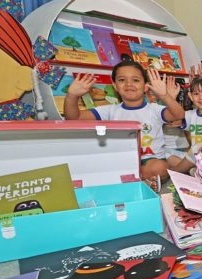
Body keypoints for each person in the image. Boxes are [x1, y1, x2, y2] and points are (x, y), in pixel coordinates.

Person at [64, 60, 184, 191]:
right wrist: (72, 96)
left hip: (150, 160)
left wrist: (164, 95)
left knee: (160, 168)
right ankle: (140, 181)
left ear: (145, 86)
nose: (129, 84)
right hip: (121, 161)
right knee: (92, 165)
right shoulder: (109, 110)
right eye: (122, 80)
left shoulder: (154, 109)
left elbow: (178, 115)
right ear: (115, 86)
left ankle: (136, 180)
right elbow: (73, 118)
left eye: (136, 80)